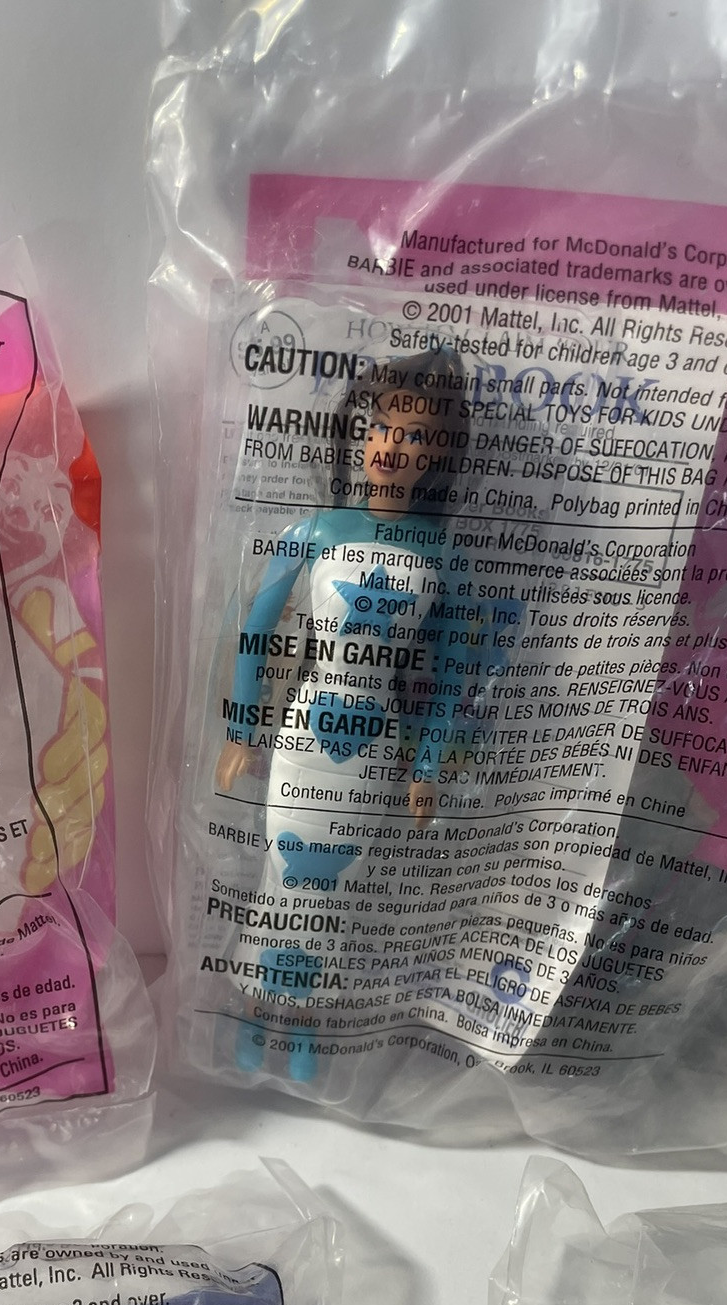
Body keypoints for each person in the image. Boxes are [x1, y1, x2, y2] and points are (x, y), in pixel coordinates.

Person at [214, 347, 505, 1076]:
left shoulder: (443, 555)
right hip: (306, 737)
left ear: (437, 455)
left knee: (335, 890)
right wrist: (242, 730)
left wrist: (427, 766)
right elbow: (255, 631)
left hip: (373, 752)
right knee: (282, 874)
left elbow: (453, 675)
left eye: (415, 435)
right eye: (381, 426)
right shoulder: (313, 532)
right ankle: (254, 1011)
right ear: (359, 432)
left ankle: (304, 1025)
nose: (391, 446)